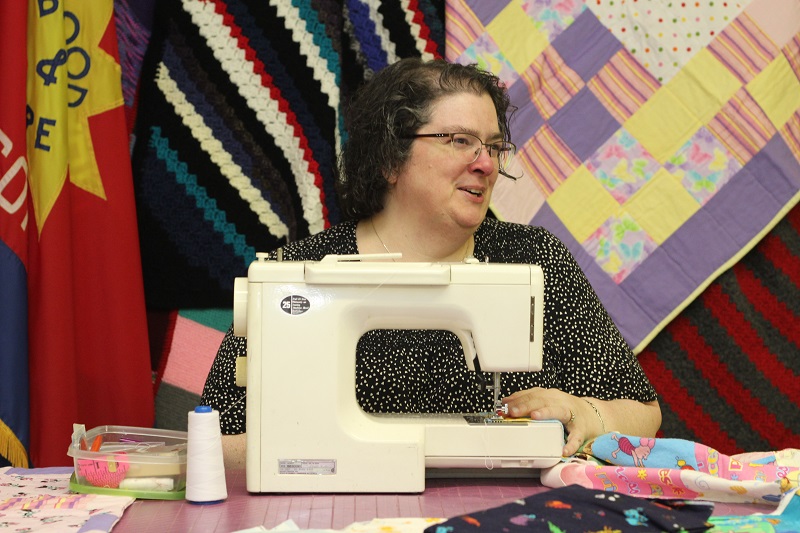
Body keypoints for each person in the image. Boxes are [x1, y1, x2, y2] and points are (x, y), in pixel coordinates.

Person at [201, 57, 662, 469]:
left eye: (494, 146)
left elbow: (643, 410)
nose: (486, 164)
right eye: (461, 141)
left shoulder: (535, 259)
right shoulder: (298, 274)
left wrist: (587, 414)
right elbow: (216, 439)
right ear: (389, 158)